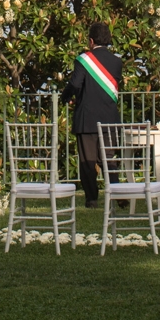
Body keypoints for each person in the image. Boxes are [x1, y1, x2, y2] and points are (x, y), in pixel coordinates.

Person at [64, 20, 124, 207]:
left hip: (87, 117)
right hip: (109, 118)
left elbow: (75, 84)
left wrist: (66, 97)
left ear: (91, 41)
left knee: (88, 161)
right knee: (109, 159)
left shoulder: (84, 59)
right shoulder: (117, 61)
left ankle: (91, 199)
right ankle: (118, 195)